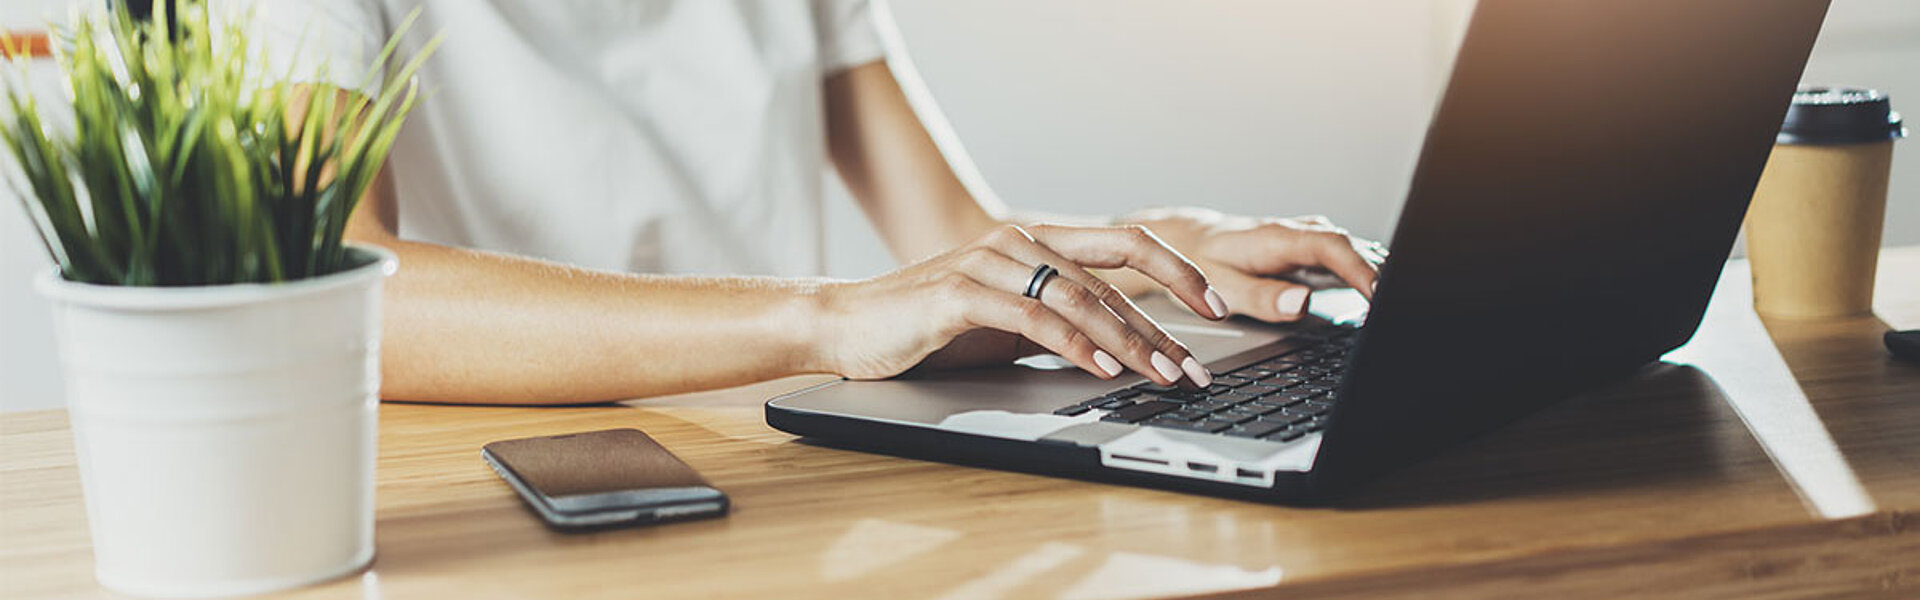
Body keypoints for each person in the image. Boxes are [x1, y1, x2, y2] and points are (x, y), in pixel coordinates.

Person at [238, 0, 1385, 405]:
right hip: (511, 490)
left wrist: (1163, 250)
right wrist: (823, 320)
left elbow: (946, 248)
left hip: (762, 453)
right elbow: (338, 297)